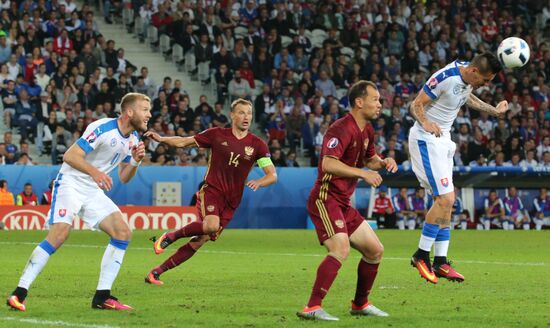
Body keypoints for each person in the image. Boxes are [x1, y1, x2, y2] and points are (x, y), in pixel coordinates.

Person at [7, 93, 152, 312]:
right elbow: (70, 155)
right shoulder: (102, 128)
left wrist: (135, 161)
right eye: (145, 109)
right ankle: (19, 293)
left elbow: (124, 176)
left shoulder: (133, 140)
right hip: (71, 184)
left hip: (92, 190)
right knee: (59, 234)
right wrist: (96, 173)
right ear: (129, 112)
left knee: (123, 232)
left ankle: (102, 297)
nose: (149, 114)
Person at [143, 99, 277, 285]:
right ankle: (171, 235)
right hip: (212, 191)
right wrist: (163, 139)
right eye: (241, 112)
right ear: (232, 115)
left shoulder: (257, 145)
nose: (246, 117)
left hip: (233, 200)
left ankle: (156, 273)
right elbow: (185, 142)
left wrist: (260, 182)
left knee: (200, 240)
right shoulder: (216, 135)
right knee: (211, 225)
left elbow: (272, 175)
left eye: (249, 113)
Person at [296, 81, 397, 321]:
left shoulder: (367, 130)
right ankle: (312, 307)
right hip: (326, 197)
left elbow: (370, 158)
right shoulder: (341, 128)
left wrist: (383, 162)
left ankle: (360, 304)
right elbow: (328, 163)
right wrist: (363, 173)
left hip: (342, 202)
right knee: (339, 248)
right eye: (375, 99)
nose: (379, 104)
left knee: (375, 251)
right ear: (359, 102)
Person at [408, 52, 508, 284]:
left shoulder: (467, 77)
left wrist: (493, 110)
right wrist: (425, 122)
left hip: (444, 139)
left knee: (448, 200)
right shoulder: (446, 77)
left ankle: (440, 261)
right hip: (426, 138)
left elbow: (466, 96)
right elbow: (416, 103)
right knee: (444, 199)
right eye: (485, 80)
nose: (486, 84)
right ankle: (421, 255)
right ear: (474, 72)